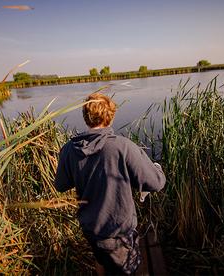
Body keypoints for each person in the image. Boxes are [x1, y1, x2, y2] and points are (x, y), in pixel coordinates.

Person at [54, 92, 166, 275]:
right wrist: (157, 168)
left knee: (101, 260)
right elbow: (155, 183)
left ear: (86, 117)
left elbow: (60, 185)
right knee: (127, 270)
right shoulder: (123, 146)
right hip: (118, 232)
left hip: (91, 229)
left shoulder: (69, 149)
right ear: (110, 116)